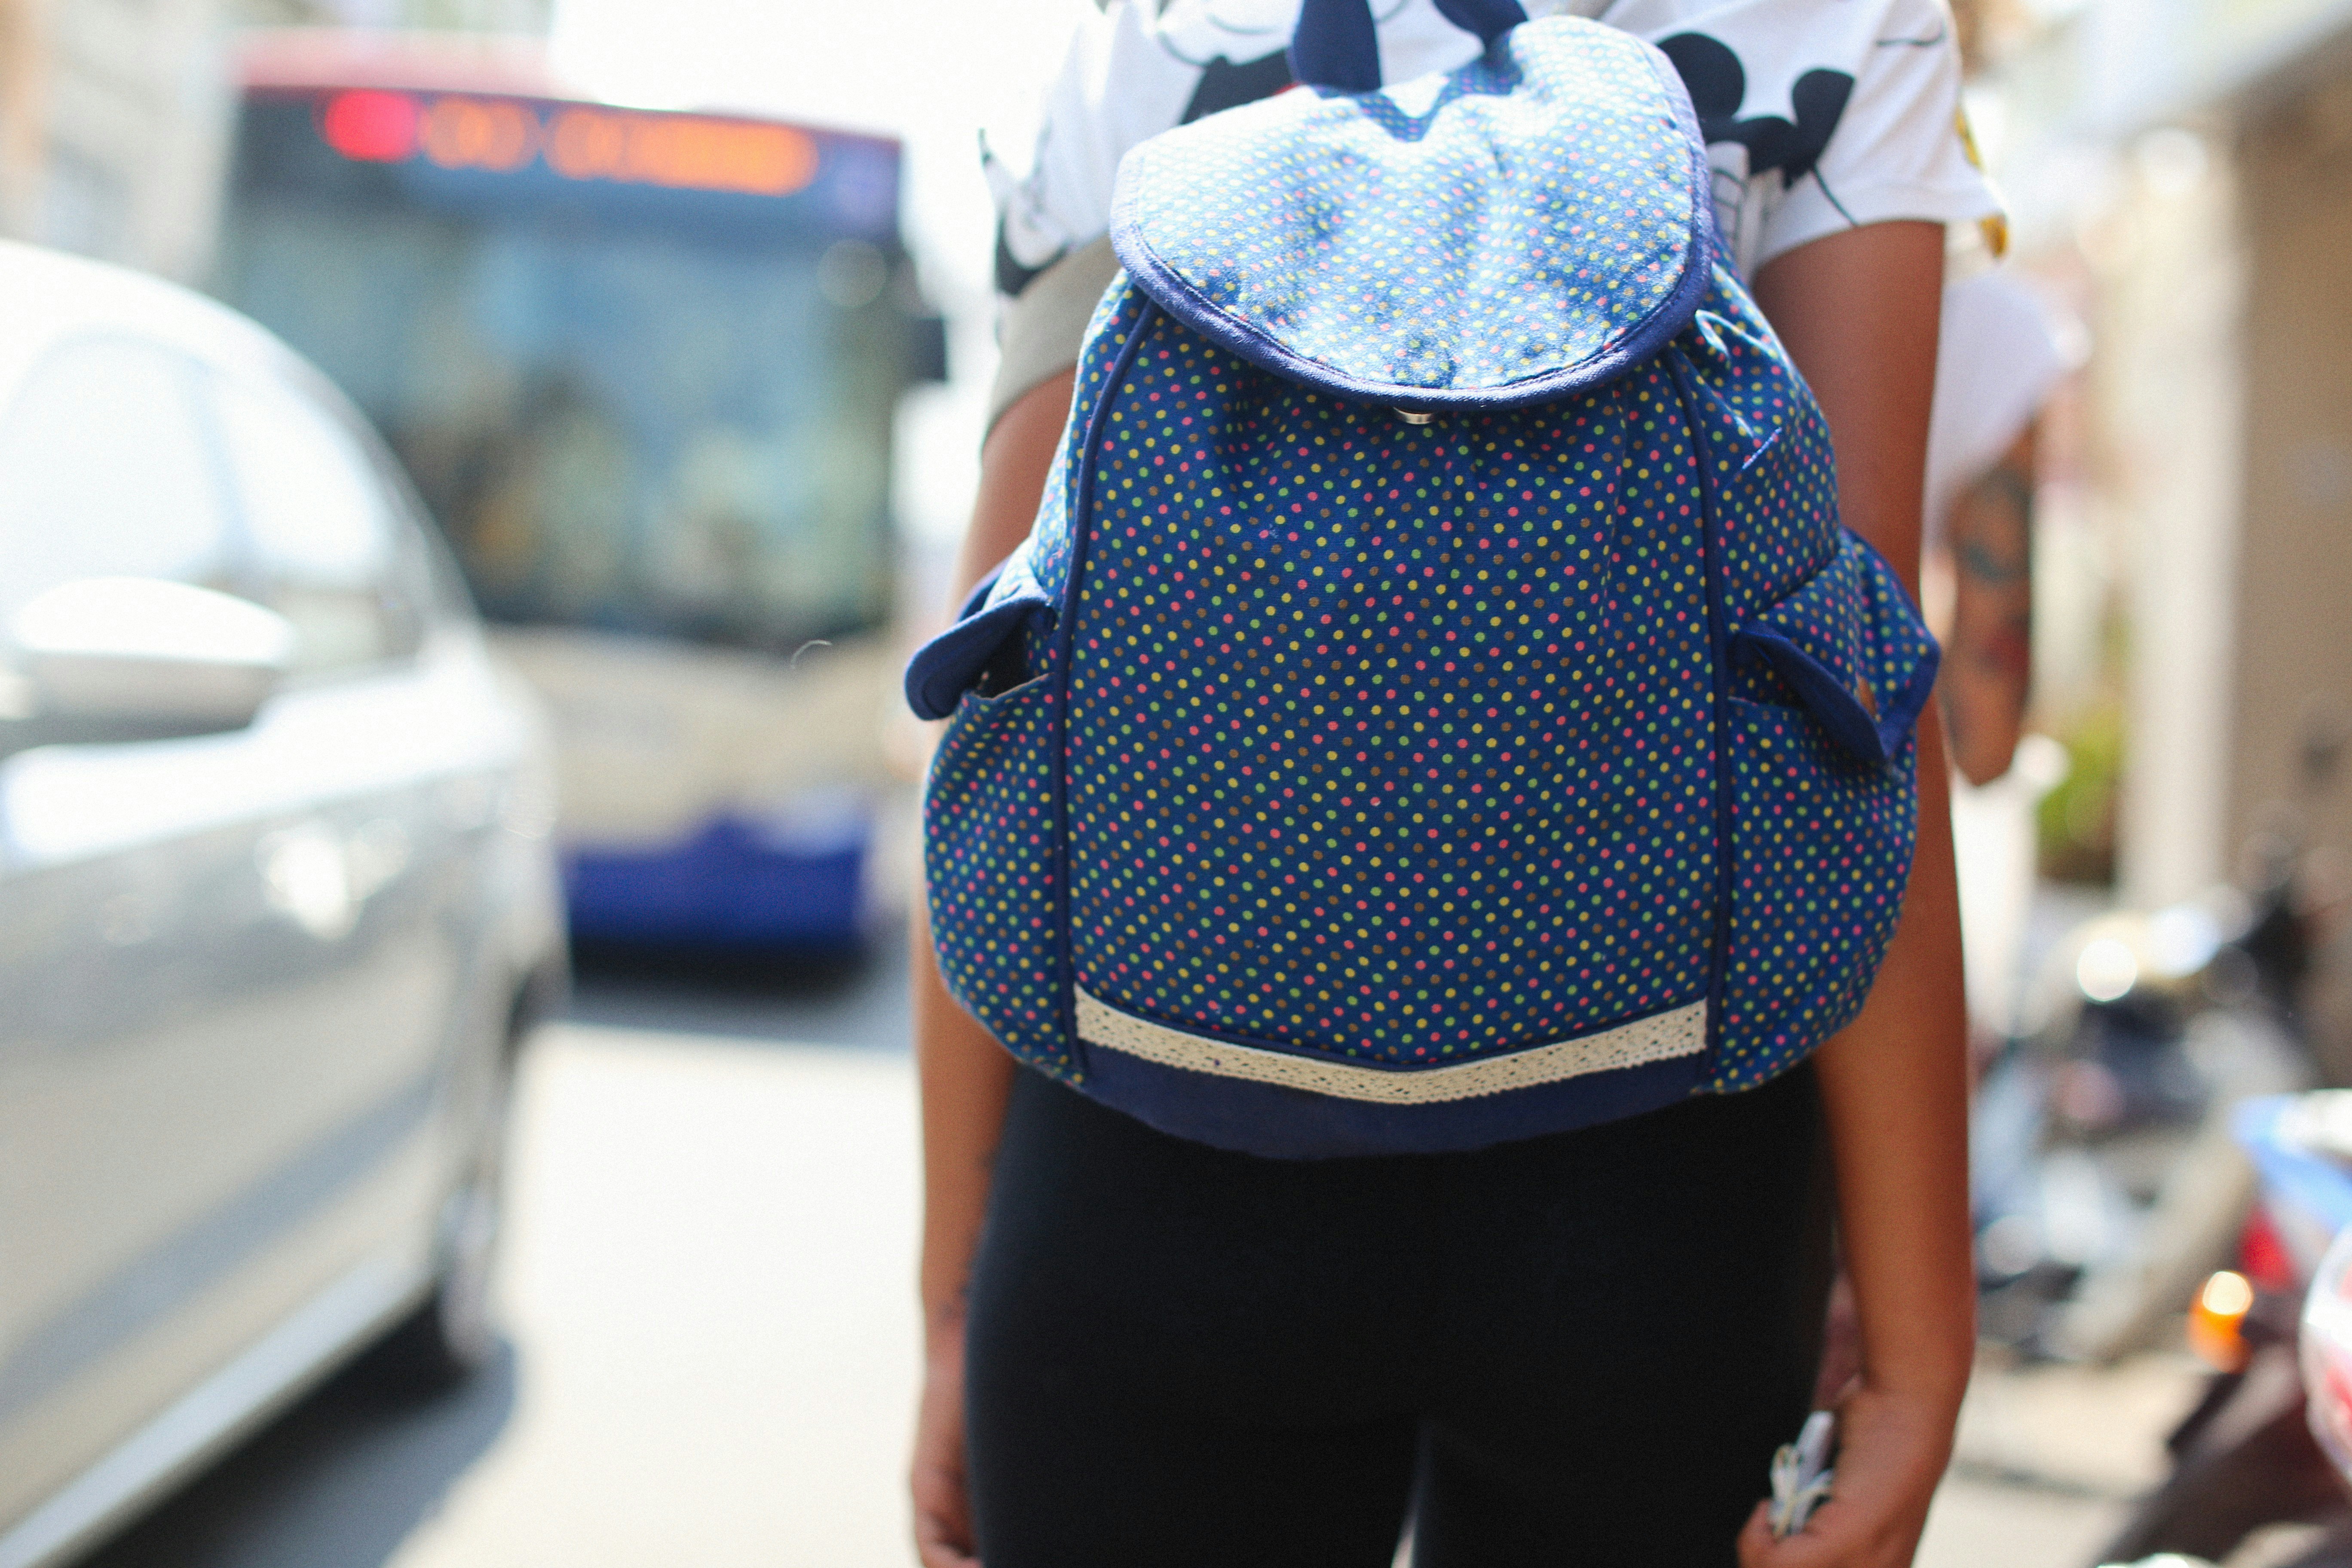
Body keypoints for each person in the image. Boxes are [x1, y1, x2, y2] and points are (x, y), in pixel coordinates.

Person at [913, 3, 1997, 1563]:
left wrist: (957, 1294)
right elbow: (1857, 695)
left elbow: (1003, 675)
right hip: (1653, 1168)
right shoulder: (1829, 21)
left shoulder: (1159, 37)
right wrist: (1916, 1350)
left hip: (1156, 1142)